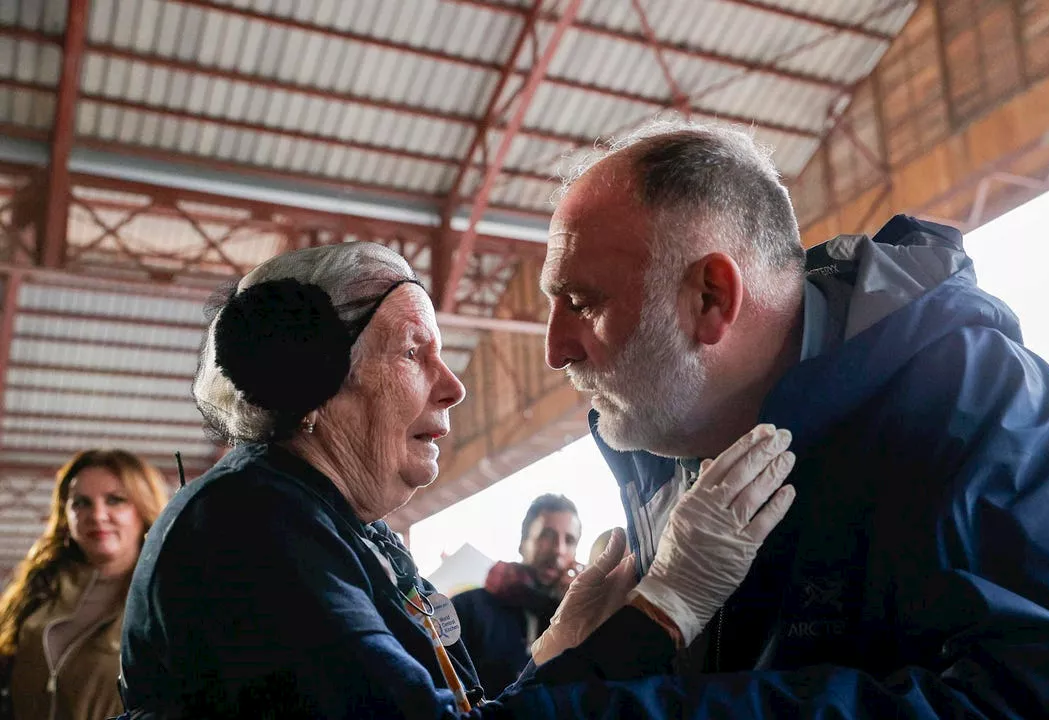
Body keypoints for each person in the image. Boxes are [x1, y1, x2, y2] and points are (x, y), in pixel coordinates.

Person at [539, 120, 1049, 717]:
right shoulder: (664, 452)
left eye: (580, 300)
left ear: (712, 296)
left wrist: (634, 707)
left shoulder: (983, 410)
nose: (554, 349)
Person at [116, 242, 796, 718]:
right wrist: (670, 605)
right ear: (311, 374)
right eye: (415, 351)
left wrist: (560, 648)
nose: (454, 387)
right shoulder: (250, 528)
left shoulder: (332, 526)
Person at [0, 450, 168, 720]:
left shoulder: (164, 601)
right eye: (81, 503)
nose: (97, 515)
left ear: (143, 508)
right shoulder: (38, 589)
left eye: (115, 500)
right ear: (66, 515)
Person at [452, 494, 584, 692]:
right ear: (523, 543)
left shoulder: (578, 622)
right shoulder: (467, 609)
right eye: (547, 535)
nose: (559, 549)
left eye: (570, 540)